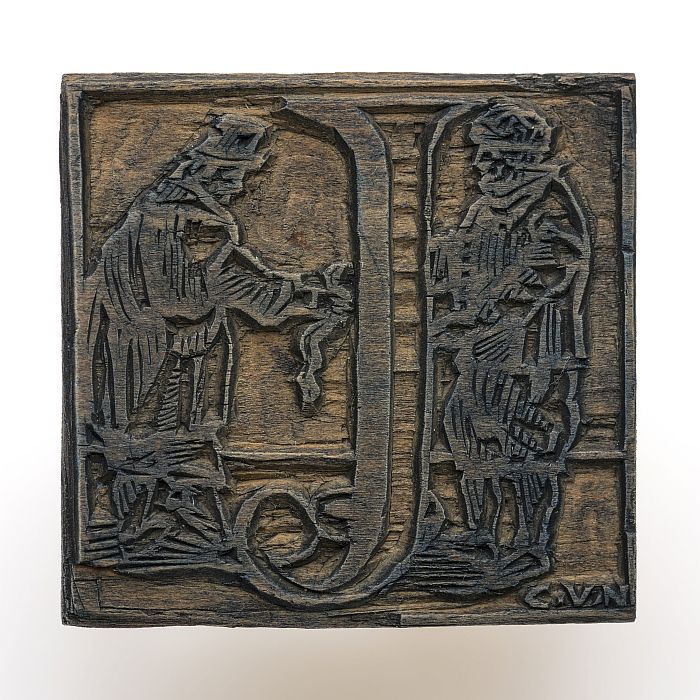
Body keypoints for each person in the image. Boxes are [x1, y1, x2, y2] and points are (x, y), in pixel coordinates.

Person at [83, 114, 353, 562]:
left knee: (157, 442)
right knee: (166, 441)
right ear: (206, 172)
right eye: (232, 176)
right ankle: (167, 534)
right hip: (163, 355)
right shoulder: (190, 222)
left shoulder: (150, 211)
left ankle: (162, 526)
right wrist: (309, 296)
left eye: (241, 175)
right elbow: (217, 287)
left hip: (141, 349)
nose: (238, 186)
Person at [428, 101, 590, 558]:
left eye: (487, 154)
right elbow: (461, 258)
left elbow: (551, 268)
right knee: (462, 423)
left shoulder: (548, 201)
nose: (478, 163)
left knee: (523, 434)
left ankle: (529, 541)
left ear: (514, 157)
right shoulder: (483, 206)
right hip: (480, 340)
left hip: (529, 343)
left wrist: (488, 307)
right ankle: (481, 529)